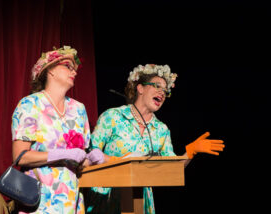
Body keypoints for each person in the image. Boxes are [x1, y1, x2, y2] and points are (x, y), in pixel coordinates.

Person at [85, 64, 225, 214]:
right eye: (157, 86)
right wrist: (117, 161)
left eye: (165, 90)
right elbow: (91, 152)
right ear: (140, 88)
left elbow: (171, 168)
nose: (162, 93)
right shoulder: (113, 116)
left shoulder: (161, 130)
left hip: (140, 200)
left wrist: (190, 152)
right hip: (106, 197)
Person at [11, 46, 102, 213]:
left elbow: (79, 161)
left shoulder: (78, 109)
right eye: (68, 66)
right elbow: (20, 157)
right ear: (49, 70)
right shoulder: (30, 104)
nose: (74, 72)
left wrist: (91, 158)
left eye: (75, 69)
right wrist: (62, 154)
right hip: (39, 201)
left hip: (71, 200)